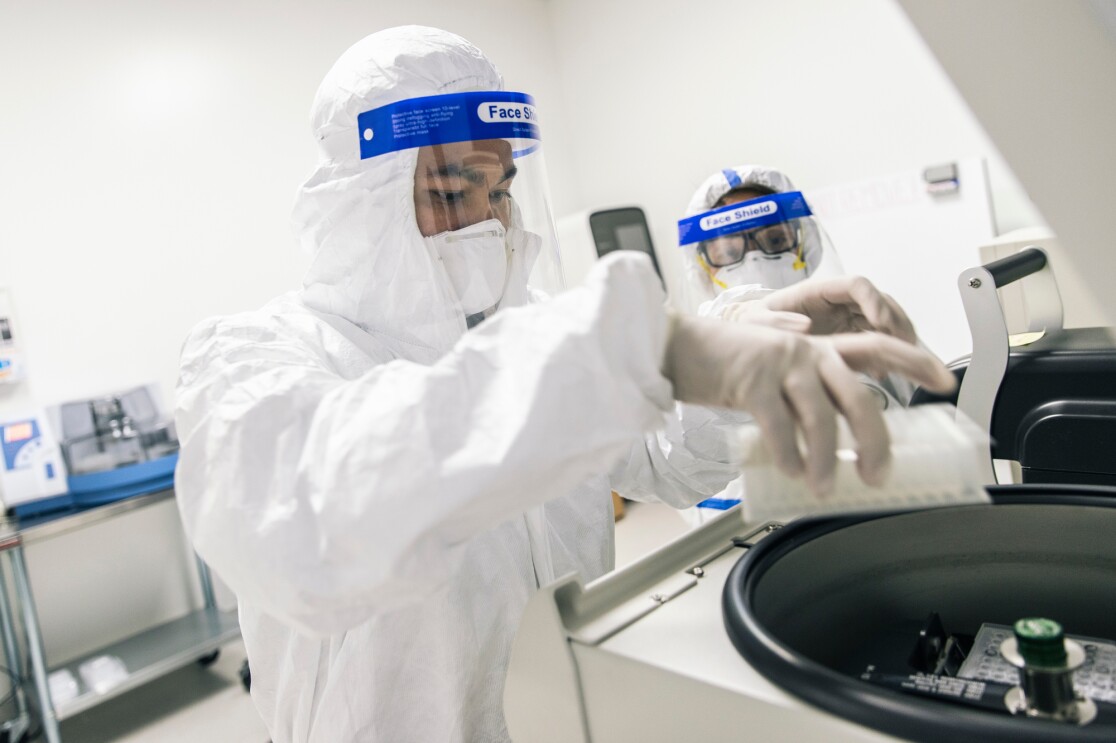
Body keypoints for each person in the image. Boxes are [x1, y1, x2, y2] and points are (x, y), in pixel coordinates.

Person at [173, 26, 955, 742]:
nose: (489, 221)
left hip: (579, 712)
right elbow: (311, 517)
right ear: (359, 200)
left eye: (501, 191)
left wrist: (748, 346)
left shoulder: (532, 333)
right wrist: (621, 356)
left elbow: (662, 455)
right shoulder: (252, 356)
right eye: (453, 191)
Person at [670, 165, 923, 524]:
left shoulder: (864, 325)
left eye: (774, 241)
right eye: (728, 249)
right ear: (702, 267)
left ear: (805, 244)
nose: (754, 258)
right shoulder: (692, 374)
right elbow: (676, 468)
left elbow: (938, 419)